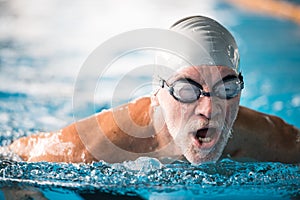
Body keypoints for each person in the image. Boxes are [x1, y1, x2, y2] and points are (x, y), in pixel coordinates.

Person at [6, 15, 300, 165]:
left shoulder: (271, 140)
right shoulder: (106, 141)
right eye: (188, 90)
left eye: (227, 87)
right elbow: (14, 155)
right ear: (158, 92)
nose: (210, 109)